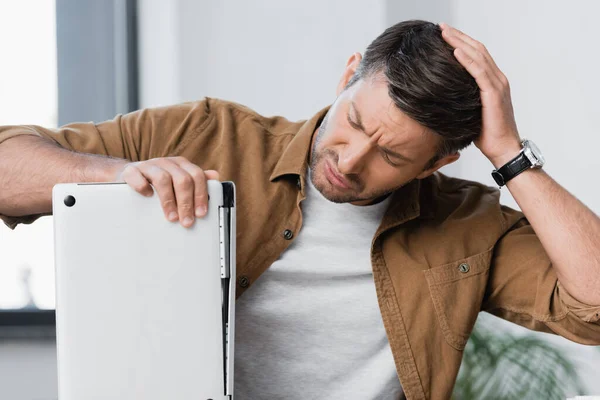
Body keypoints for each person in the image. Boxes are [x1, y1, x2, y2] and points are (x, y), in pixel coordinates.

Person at [0, 19, 598, 400]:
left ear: (436, 164)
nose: (352, 160)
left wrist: (510, 156)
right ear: (346, 77)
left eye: (391, 155)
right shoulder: (207, 133)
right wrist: (114, 175)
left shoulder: (468, 223)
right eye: (354, 120)